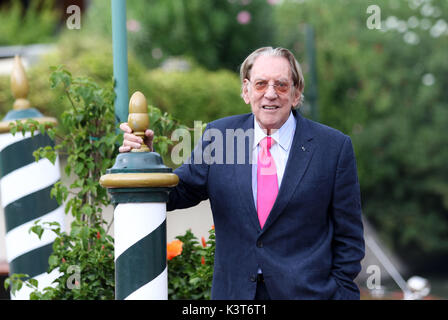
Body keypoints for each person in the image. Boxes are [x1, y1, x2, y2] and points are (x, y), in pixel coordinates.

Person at [119, 47, 365, 300]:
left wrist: (342, 295)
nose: (270, 94)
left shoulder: (333, 147)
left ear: (296, 92)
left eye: (281, 85)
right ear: (246, 91)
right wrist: (146, 160)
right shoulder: (221, 138)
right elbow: (177, 193)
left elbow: (349, 237)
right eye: (260, 84)